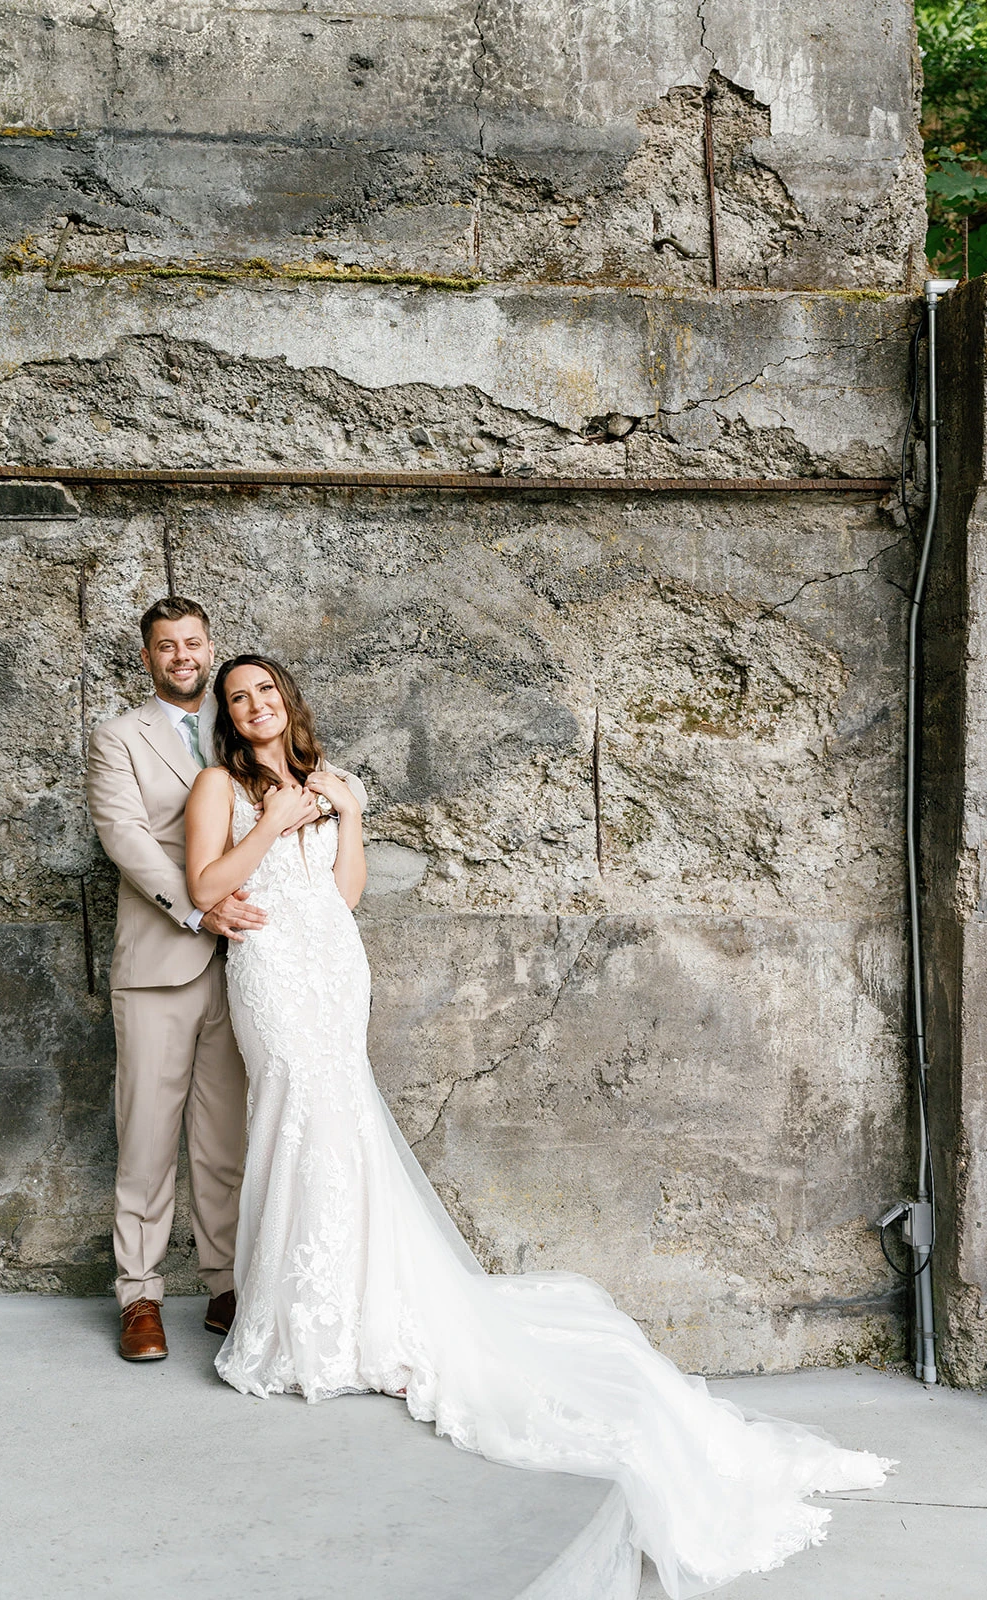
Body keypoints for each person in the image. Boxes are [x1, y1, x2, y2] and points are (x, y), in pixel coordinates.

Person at [184, 651, 894, 1599]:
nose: (255, 705)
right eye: (239, 698)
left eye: (266, 691)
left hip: (332, 962)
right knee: (290, 1118)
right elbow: (204, 884)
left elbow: (345, 894)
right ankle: (294, 1322)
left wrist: (345, 816)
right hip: (271, 968)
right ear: (227, 717)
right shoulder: (214, 785)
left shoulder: (327, 780)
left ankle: (359, 1315)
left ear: (287, 703)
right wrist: (268, 820)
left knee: (344, 1126)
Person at [86, 598, 264, 1362]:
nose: (182, 656)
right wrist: (201, 909)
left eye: (192, 643)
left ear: (208, 646)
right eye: (166, 646)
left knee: (225, 1140)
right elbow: (125, 837)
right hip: (163, 958)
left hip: (251, 965)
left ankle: (225, 1285)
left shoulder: (242, 729)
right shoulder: (118, 737)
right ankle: (141, 1296)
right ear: (148, 656)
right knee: (148, 1139)